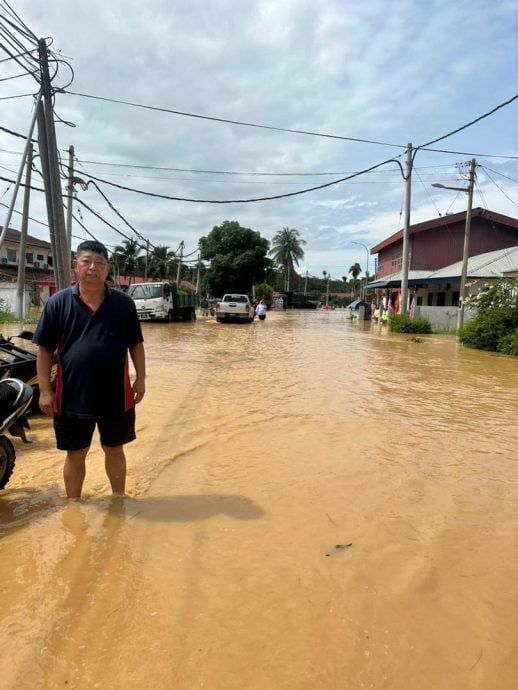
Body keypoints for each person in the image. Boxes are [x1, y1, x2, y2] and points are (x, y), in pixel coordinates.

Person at [33, 240, 146, 499]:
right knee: (75, 453)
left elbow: (136, 345)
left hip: (116, 394)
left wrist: (140, 379)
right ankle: (74, 505)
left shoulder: (124, 304)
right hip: (71, 395)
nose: (92, 267)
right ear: (76, 267)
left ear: (108, 270)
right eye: (86, 262)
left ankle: (118, 500)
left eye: (99, 263)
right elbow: (45, 350)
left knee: (115, 448)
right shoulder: (57, 303)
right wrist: (45, 391)